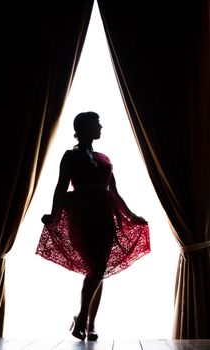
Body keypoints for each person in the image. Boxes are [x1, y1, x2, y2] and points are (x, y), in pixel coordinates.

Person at [36, 111, 150, 341]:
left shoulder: (104, 158)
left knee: (99, 270)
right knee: (96, 268)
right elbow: (60, 187)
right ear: (84, 128)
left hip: (106, 216)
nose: (101, 127)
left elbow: (114, 192)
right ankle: (82, 318)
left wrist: (132, 215)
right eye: (97, 124)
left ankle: (90, 324)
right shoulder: (70, 156)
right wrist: (54, 213)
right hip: (81, 216)